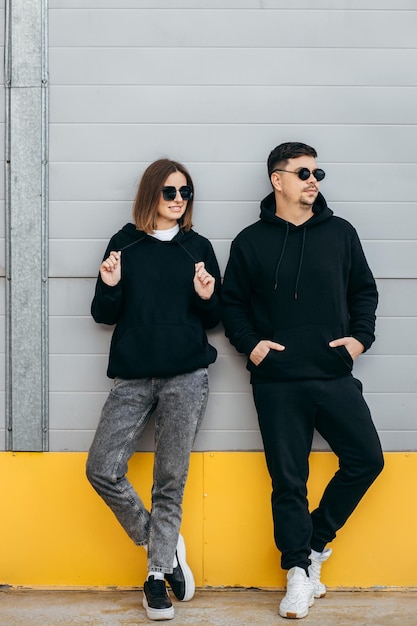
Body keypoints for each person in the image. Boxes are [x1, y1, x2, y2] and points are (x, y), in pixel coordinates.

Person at [221, 142, 384, 619]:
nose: (314, 180)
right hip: (277, 382)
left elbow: (364, 292)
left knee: (366, 460)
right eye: (303, 172)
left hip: (333, 374)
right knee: (288, 481)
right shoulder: (250, 241)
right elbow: (232, 305)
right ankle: (296, 574)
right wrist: (253, 347)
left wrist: (359, 340)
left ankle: (313, 546)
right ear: (278, 180)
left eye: (318, 172)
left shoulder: (341, 233)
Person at [86, 158, 221, 621]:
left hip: (187, 377)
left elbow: (214, 319)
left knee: (170, 479)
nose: (179, 199)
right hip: (132, 377)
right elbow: (104, 315)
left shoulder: (197, 247)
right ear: (151, 194)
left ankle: (156, 577)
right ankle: (160, 541)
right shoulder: (124, 243)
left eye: (185, 191)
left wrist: (207, 297)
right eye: (169, 191)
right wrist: (109, 285)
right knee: (102, 468)